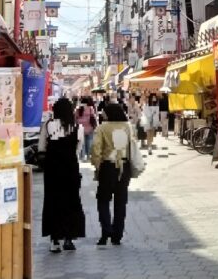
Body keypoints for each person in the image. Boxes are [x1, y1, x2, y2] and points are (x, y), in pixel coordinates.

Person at [38, 97, 86, 253]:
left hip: (53, 170)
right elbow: (78, 149)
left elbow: (41, 147)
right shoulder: (77, 128)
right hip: (70, 169)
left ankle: (54, 240)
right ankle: (69, 238)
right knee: (71, 202)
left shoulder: (48, 125)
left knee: (53, 202)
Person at [91, 103, 141, 246]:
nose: (103, 114)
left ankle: (106, 230)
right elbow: (133, 145)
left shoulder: (102, 128)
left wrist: (97, 165)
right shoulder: (128, 127)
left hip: (107, 166)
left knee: (103, 199)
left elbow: (96, 149)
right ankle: (117, 235)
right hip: (124, 167)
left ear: (109, 113)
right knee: (120, 202)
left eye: (104, 112)